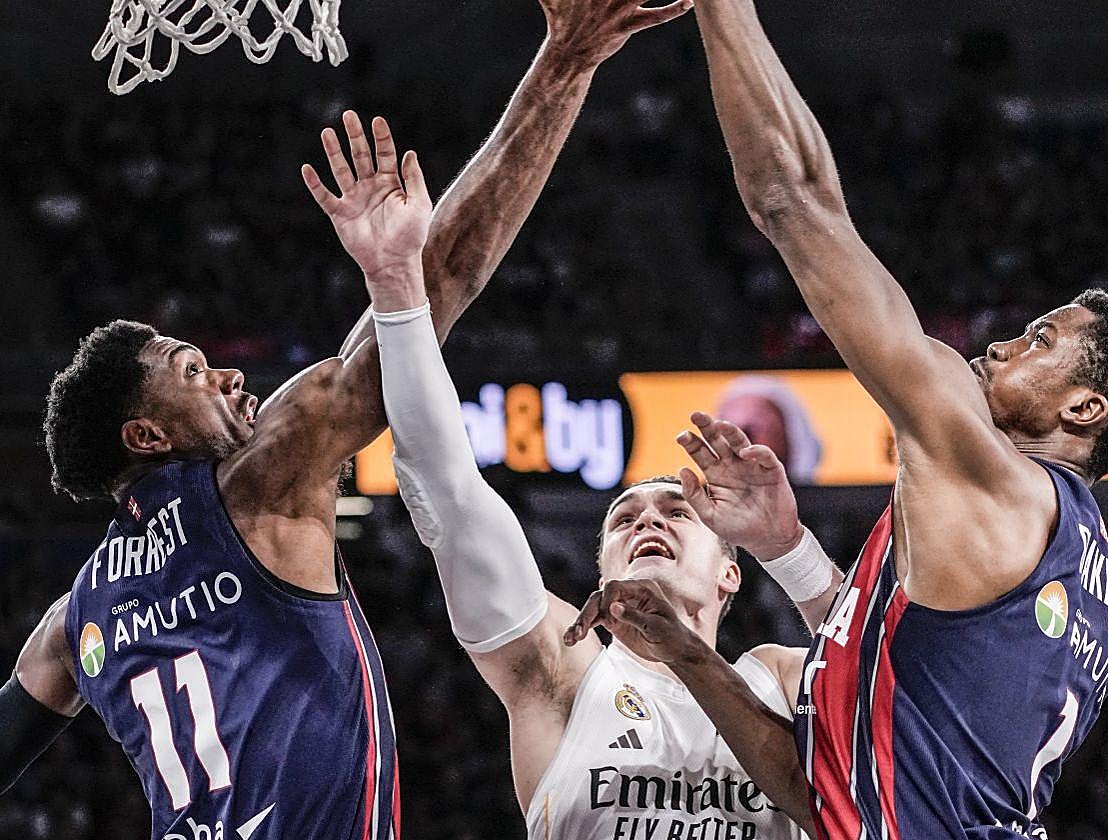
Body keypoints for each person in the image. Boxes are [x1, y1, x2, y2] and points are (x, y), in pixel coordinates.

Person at [0, 1, 692, 835]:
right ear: (147, 436)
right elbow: (435, 288)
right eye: (192, 370)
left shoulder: (75, 617)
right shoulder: (258, 481)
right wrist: (564, 63)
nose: (227, 374)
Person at [568, 1, 1108, 838]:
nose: (1002, 345)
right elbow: (832, 770)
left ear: (1083, 409)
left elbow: (794, 201)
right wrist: (775, 557)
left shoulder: (990, 474)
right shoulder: (1083, 583)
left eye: (1039, 341)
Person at [366, 181, 814, 837]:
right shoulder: (564, 672)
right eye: (623, 521)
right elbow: (450, 496)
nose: (648, 521)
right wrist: (397, 288)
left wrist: (789, 548)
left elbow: (901, 684)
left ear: (730, 572)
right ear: (602, 576)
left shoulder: (779, 676)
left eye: (677, 512)